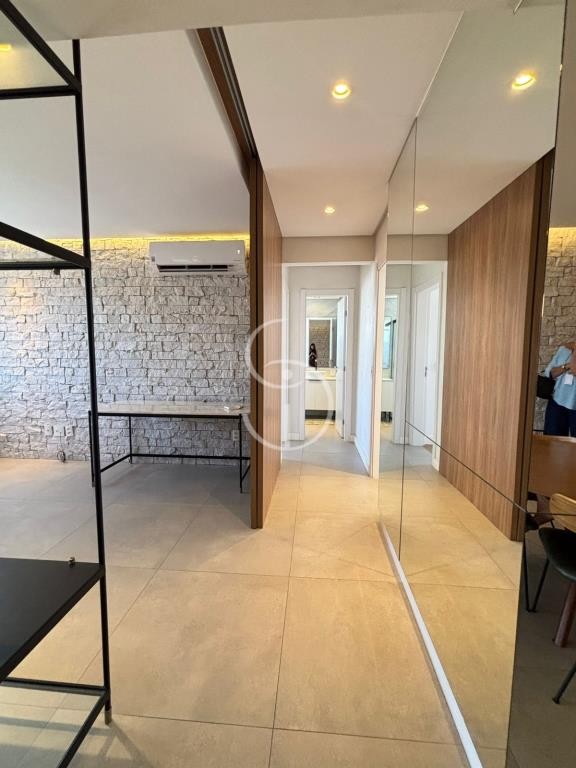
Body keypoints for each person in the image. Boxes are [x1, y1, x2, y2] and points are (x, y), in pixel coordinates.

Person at [544, 340, 576, 436]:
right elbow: (548, 373)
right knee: (553, 440)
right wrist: (567, 366)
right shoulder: (565, 350)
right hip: (557, 402)